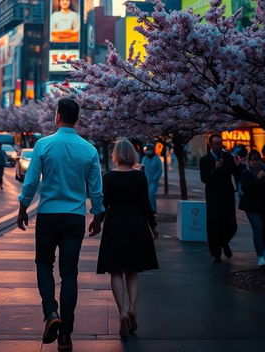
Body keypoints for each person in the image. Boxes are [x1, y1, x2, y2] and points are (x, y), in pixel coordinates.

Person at [17, 98, 104, 352]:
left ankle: (50, 311)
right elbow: (96, 189)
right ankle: (66, 334)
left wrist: (23, 208)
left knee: (44, 264)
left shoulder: (43, 145)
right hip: (74, 218)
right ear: (77, 119)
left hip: (48, 216)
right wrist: (97, 215)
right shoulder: (89, 150)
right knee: (70, 273)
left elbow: (31, 181)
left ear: (57, 116)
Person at [94, 139, 158, 339]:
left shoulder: (109, 177)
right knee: (132, 270)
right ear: (132, 155)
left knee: (116, 271)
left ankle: (121, 311)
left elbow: (103, 203)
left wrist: (97, 222)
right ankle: (132, 308)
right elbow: (146, 203)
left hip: (115, 225)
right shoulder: (139, 176)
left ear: (115, 154)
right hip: (136, 223)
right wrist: (153, 226)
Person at [199, 134, 239, 263]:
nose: (219, 145)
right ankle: (216, 253)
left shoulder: (227, 157)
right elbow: (204, 178)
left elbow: (234, 172)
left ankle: (224, 241)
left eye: (220, 142)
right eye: (216, 143)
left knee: (231, 223)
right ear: (211, 144)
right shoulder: (205, 159)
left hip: (227, 194)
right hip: (213, 195)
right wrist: (214, 170)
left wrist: (237, 165)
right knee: (214, 224)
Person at [239, 150, 265, 267]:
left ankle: (262, 248)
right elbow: (246, 188)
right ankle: (260, 255)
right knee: (258, 229)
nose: (255, 162)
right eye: (252, 160)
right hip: (251, 206)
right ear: (249, 161)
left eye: (257, 159)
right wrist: (257, 179)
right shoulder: (246, 173)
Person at [140, 144, 162, 214]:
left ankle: (153, 209)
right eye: (147, 151)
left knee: (151, 194)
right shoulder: (144, 158)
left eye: (149, 150)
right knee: (145, 195)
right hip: (145, 180)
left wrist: (155, 178)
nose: (148, 152)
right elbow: (142, 168)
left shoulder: (157, 159)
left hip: (153, 181)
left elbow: (160, 170)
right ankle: (146, 209)